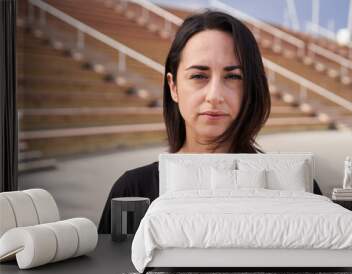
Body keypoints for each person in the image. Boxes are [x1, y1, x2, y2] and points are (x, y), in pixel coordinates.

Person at [97, 10, 322, 234]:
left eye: (233, 76)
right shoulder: (131, 191)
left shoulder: (298, 186)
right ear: (173, 86)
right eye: (198, 76)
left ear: (251, 88)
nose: (214, 95)